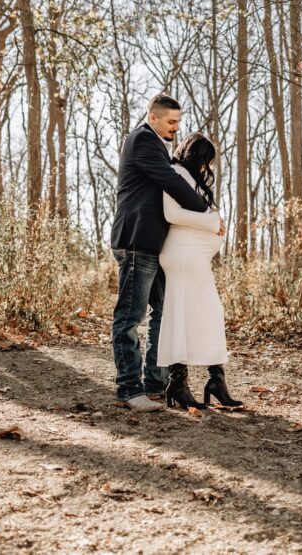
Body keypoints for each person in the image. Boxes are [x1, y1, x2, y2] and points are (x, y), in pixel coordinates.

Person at [109, 94, 218, 412]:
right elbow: (169, 181)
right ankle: (129, 390)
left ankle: (156, 384)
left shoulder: (157, 145)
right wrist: (204, 209)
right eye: (171, 122)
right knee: (130, 318)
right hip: (135, 240)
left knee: (165, 314)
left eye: (179, 122)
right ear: (153, 117)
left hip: (154, 244)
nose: (176, 127)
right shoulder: (143, 140)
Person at [157, 132, 243, 410]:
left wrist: (213, 220)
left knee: (193, 314)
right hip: (182, 255)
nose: (209, 168)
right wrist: (212, 221)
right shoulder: (176, 172)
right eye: (207, 161)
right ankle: (191, 381)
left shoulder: (189, 177)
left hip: (191, 255)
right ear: (197, 157)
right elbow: (172, 215)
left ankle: (200, 381)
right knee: (197, 313)